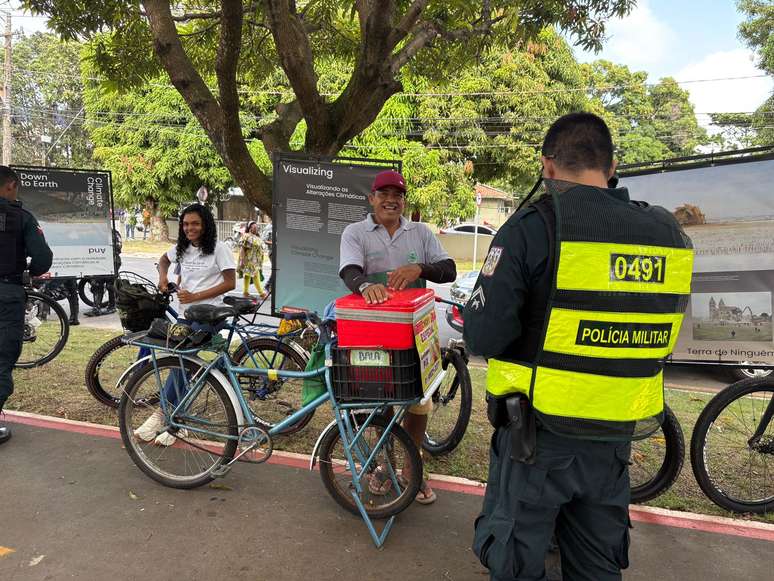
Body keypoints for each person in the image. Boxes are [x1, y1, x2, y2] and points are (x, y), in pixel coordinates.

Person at [463, 113, 694, 580]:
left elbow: (484, 336)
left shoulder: (533, 226)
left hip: (537, 437)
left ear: (548, 167)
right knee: (597, 565)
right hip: (615, 440)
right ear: (611, 168)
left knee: (518, 561)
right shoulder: (667, 233)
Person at [339, 169, 457, 504]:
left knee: (420, 401)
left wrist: (421, 268)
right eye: (384, 194)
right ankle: (383, 464)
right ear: (372, 198)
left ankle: (411, 467)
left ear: (404, 200)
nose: (391, 200)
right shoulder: (355, 232)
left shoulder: (419, 232)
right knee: (380, 396)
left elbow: (449, 269)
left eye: (398, 195)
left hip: (416, 334)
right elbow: (348, 270)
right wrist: (365, 284)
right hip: (374, 333)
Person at [133, 203, 236, 446]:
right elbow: (163, 259)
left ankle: (162, 417)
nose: (190, 228)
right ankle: (179, 423)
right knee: (181, 364)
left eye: (195, 224)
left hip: (211, 315)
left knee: (181, 361)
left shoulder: (219, 249)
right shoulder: (182, 248)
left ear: (206, 225)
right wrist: (163, 278)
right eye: (186, 224)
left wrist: (196, 297)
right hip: (186, 316)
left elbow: (230, 282)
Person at [0, 166, 53, 445]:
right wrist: (29, 273)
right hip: (7, 295)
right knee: (2, 361)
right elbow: (43, 258)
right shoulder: (21, 218)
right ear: (10, 185)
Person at [237, 221, 267, 299]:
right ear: (250, 228)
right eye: (254, 227)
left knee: (248, 275)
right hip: (248, 260)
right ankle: (261, 293)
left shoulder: (257, 237)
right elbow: (242, 249)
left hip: (256, 260)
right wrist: (242, 260)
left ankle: (245, 292)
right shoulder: (246, 236)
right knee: (255, 275)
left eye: (257, 227)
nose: (256, 229)